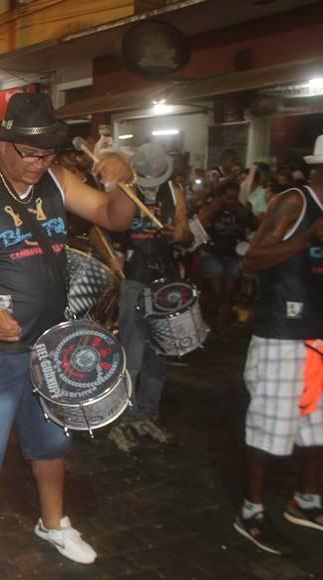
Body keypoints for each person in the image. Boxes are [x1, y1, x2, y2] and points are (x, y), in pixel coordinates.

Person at [0, 93, 137, 565]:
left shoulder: (57, 181)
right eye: (29, 153)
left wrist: (124, 180)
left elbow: (113, 218)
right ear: (1, 143)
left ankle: (54, 524)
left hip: (49, 345)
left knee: (51, 445)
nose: (39, 163)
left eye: (47, 154)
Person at [234, 137, 323, 555]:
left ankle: (307, 501)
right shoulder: (294, 202)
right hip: (281, 334)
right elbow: (252, 259)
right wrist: (307, 240)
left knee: (318, 428)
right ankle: (250, 510)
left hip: (318, 333)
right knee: (270, 427)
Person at [107, 143, 191, 452]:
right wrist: (114, 259)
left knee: (159, 354)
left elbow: (186, 233)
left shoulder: (175, 193)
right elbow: (103, 230)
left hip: (165, 281)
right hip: (134, 280)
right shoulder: (125, 193)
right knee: (132, 353)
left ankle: (147, 411)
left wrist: (181, 235)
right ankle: (121, 416)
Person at [198, 181, 258, 332]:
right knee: (217, 291)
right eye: (229, 197)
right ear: (221, 197)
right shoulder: (211, 208)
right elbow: (198, 226)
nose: (232, 201)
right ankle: (208, 323)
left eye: (235, 197)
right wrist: (213, 209)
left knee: (229, 293)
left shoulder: (241, 209)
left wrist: (244, 211)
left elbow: (256, 225)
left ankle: (221, 327)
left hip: (232, 254)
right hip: (211, 253)